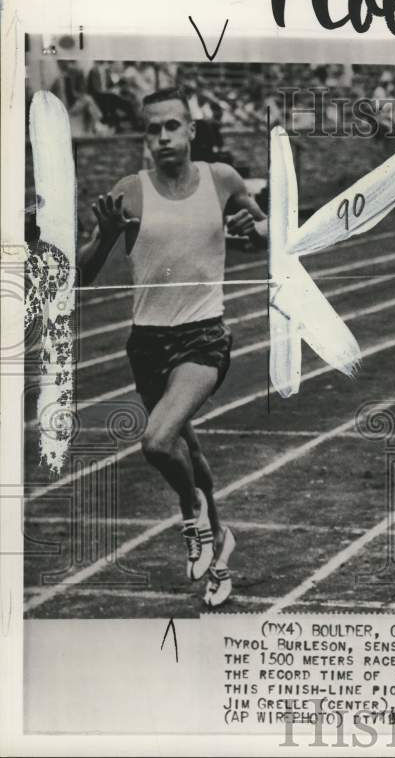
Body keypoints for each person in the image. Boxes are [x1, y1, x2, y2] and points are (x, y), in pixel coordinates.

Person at [77, 87, 268, 607]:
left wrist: (258, 227)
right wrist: (103, 236)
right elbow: (83, 274)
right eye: (152, 129)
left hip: (204, 338)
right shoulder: (129, 192)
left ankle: (192, 514)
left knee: (158, 442)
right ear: (145, 137)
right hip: (147, 344)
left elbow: (268, 231)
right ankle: (221, 552)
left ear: (190, 129)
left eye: (171, 126)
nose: (162, 137)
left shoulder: (221, 179)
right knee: (192, 449)